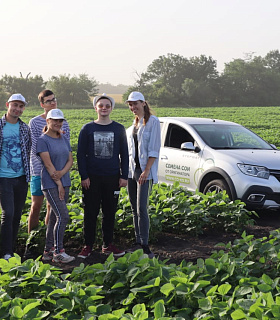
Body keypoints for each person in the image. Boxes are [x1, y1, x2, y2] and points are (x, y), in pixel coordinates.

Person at [77, 93, 129, 258]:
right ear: (96, 108)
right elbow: (80, 154)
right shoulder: (87, 129)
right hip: (92, 178)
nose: (104, 108)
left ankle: (108, 244)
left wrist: (124, 176)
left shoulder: (119, 129)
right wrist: (84, 176)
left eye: (107, 106)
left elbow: (125, 154)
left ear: (112, 108)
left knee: (109, 212)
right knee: (90, 212)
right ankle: (88, 245)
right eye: (101, 106)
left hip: (112, 177)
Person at [24, 89, 70, 259]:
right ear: (42, 104)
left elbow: (66, 148)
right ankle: (31, 243)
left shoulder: (63, 122)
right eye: (49, 101)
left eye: (54, 100)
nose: (53, 103)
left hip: (58, 171)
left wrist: (59, 173)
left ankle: (48, 245)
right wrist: (50, 172)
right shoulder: (35, 122)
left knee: (52, 209)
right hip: (39, 171)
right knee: (36, 206)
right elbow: (37, 148)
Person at [126, 91, 161, 258]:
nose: (133, 107)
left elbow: (154, 148)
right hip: (132, 170)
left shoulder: (153, 122)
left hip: (144, 171)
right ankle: (137, 241)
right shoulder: (133, 124)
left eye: (136, 104)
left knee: (142, 208)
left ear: (143, 103)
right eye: (130, 104)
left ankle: (145, 245)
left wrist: (147, 170)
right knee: (134, 208)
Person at [37, 108, 75, 263]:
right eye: (55, 120)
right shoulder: (43, 140)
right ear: (48, 121)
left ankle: (47, 251)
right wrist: (58, 182)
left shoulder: (64, 138)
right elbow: (48, 165)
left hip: (64, 181)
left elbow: (70, 160)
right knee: (63, 216)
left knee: (54, 217)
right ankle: (59, 251)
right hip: (50, 184)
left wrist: (62, 173)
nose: (58, 123)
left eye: (60, 121)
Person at [0, 93, 31, 260]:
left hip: (21, 178)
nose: (18, 109)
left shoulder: (24, 128)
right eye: (15, 105)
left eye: (21, 106)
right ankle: (5, 251)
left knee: (17, 215)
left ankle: (10, 249)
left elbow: (28, 151)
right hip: (3, 177)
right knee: (8, 214)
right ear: (7, 105)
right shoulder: (0, 125)